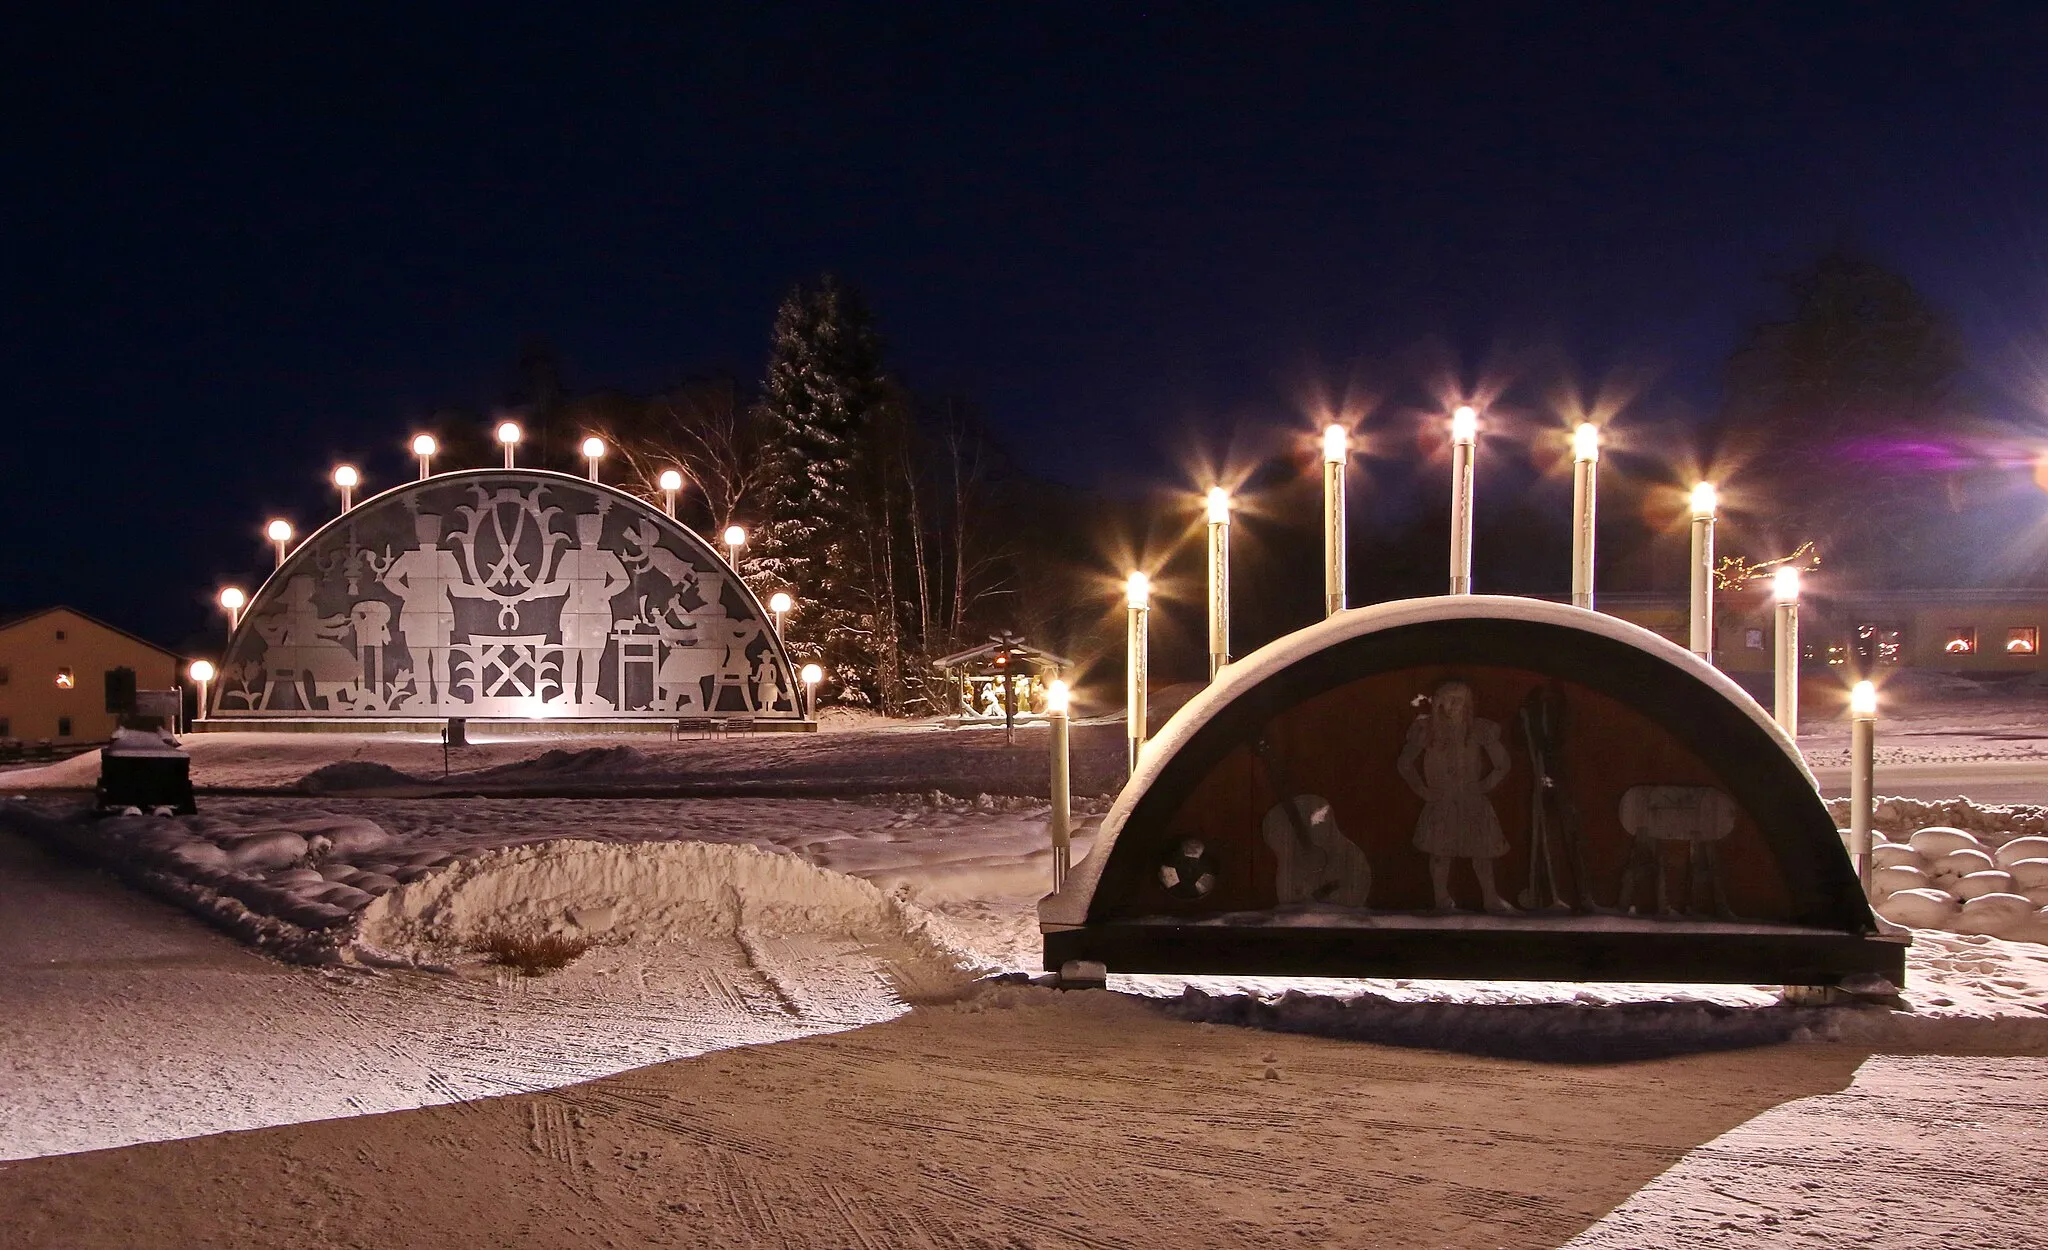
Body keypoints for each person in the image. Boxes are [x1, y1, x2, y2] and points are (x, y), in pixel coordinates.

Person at [1396, 679, 1516, 914]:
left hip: (1472, 801)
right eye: (1448, 700)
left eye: (1458, 701)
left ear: (1466, 704)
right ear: (1438, 703)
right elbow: (1404, 763)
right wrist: (1423, 790)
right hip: (1441, 801)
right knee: (1440, 853)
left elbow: (1502, 764)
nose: (1453, 705)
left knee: (1482, 854)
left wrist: (1484, 785)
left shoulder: (1479, 729)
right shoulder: (1427, 730)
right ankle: (1441, 901)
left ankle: (1490, 899)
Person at [379, 513, 483, 707]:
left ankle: (441, 696)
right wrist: (408, 594)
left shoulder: (443, 558)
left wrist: (481, 591)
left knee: (438, 658)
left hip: (435, 614)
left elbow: (458, 589)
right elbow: (390, 579)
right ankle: (425, 697)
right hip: (419, 613)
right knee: (423, 659)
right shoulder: (412, 557)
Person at [548, 512, 632, 709]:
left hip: (597, 613)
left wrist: (604, 593)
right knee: (570, 656)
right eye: (585, 529)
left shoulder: (605, 557)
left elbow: (623, 580)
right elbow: (560, 585)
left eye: (593, 530)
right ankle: (568, 695)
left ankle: (589, 697)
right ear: (579, 531)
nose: (589, 533)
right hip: (574, 612)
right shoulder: (571, 556)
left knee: (592, 658)